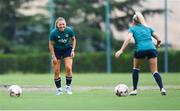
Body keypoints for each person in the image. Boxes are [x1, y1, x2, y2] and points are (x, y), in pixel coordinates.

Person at [115, 11, 166, 96]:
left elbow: (128, 39)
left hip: (140, 50)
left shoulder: (132, 29)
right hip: (152, 49)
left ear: (133, 21)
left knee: (136, 68)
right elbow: (159, 39)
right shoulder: (148, 28)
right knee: (154, 71)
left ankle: (135, 90)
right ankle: (162, 88)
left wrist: (121, 50)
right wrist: (157, 45)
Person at [49, 17, 76, 95]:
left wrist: (73, 50)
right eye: (60, 24)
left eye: (63, 24)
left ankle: (68, 87)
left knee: (68, 68)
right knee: (56, 71)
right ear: (57, 25)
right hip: (57, 50)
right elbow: (50, 44)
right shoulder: (53, 33)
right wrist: (53, 56)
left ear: (66, 24)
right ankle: (59, 90)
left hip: (67, 49)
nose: (62, 26)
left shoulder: (69, 30)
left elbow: (74, 39)